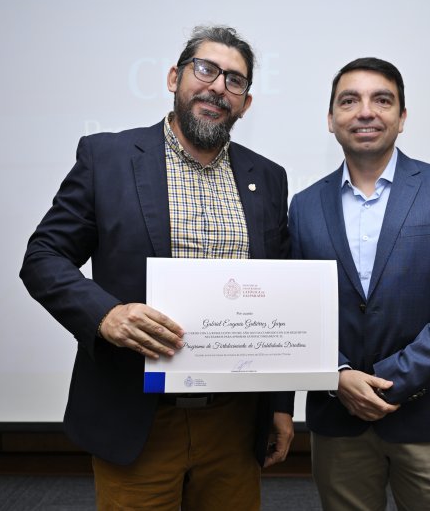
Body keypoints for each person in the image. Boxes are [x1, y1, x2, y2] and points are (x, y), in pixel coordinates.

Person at [20, 25, 294, 511]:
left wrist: (280, 404)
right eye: (205, 70)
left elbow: (280, 293)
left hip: (234, 422)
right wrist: (105, 315)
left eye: (234, 80)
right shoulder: (107, 158)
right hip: (138, 417)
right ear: (174, 77)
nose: (218, 87)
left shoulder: (268, 178)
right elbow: (43, 256)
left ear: (246, 103)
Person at [288, 57, 430, 511]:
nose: (366, 112)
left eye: (382, 100)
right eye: (349, 101)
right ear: (331, 119)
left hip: (428, 417)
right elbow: (298, 309)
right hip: (337, 418)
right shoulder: (304, 205)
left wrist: (388, 382)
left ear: (402, 117)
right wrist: (338, 376)